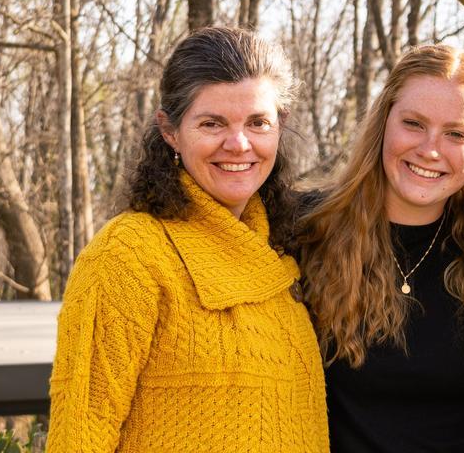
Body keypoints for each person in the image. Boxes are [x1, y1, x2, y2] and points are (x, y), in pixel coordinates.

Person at [46, 27, 329, 452]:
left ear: (280, 126)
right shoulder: (128, 254)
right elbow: (80, 436)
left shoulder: (285, 251)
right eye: (212, 123)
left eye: (258, 123)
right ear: (170, 131)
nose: (239, 143)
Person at [299, 44, 464, 452]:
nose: (430, 149)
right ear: (384, 122)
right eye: (414, 123)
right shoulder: (307, 230)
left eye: (456, 133)